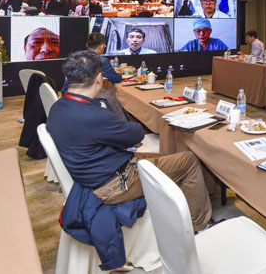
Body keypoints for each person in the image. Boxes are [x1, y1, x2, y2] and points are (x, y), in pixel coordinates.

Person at [47, 51, 212, 230]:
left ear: (66, 78)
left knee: (168, 156)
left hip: (93, 173)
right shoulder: (95, 115)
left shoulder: (57, 108)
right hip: (114, 184)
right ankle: (198, 225)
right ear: (99, 79)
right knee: (189, 160)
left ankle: (179, 209)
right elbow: (136, 134)